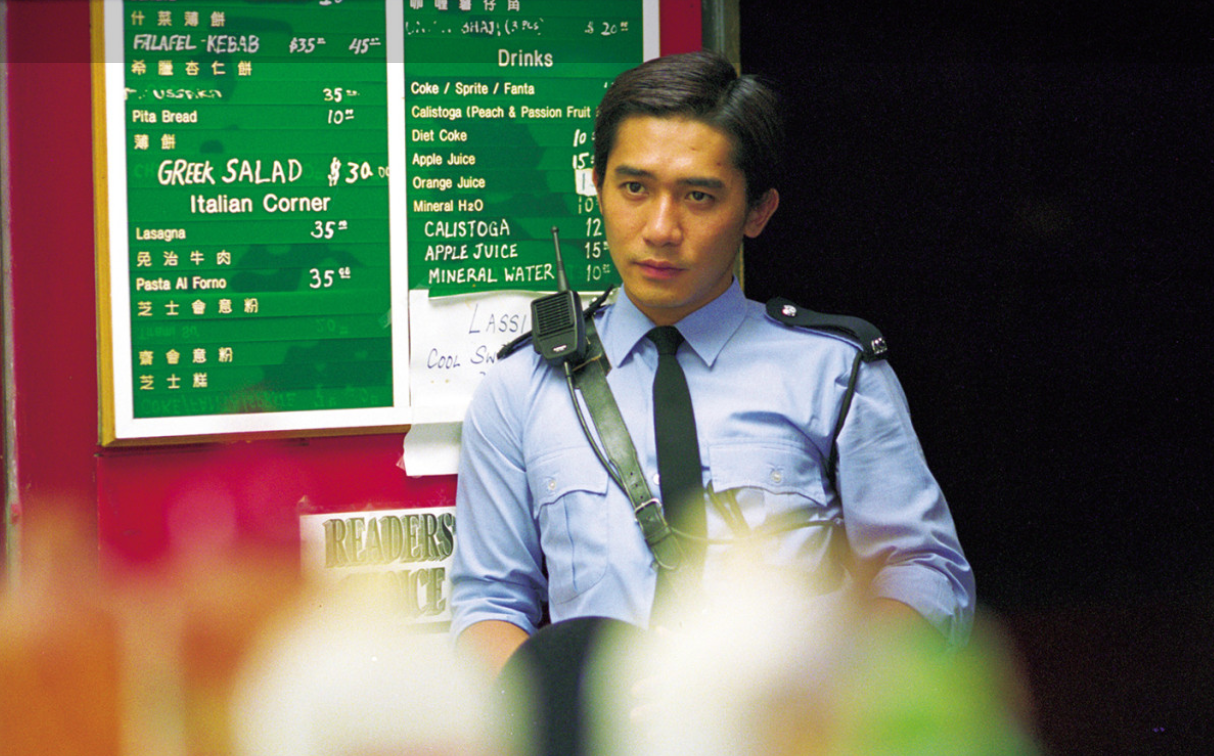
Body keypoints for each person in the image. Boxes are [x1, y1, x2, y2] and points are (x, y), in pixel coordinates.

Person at [449, 50, 975, 677]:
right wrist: (569, 713)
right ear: (598, 187)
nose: (660, 228)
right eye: (634, 188)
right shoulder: (520, 389)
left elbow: (922, 571)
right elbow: (488, 604)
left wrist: (826, 698)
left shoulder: (834, 374)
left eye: (698, 196)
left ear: (758, 211)